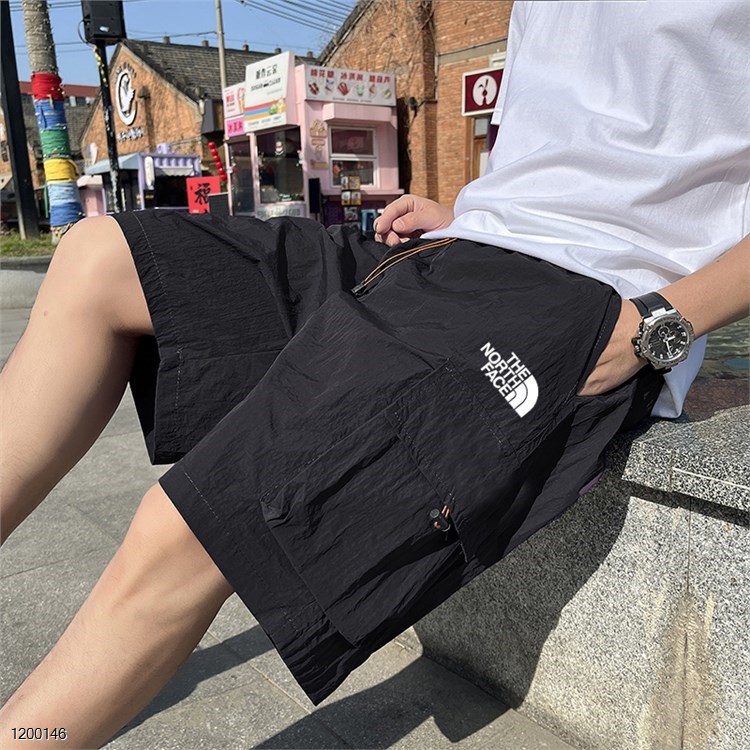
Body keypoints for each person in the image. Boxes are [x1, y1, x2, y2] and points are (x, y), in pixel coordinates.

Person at [1, 1, 747, 746]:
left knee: (197, 521)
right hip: (458, 248)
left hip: (584, 296)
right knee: (98, 261)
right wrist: (476, 211)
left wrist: (660, 321)